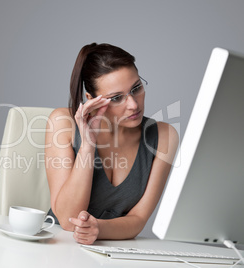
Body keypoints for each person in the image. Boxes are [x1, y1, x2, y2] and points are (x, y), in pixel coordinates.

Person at [45, 43, 178, 245]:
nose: (133, 104)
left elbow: (138, 219)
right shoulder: (62, 122)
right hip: (57, 245)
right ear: (91, 99)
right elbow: (68, 220)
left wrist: (98, 228)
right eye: (116, 98)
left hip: (113, 251)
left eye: (136, 88)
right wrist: (88, 144)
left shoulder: (164, 136)